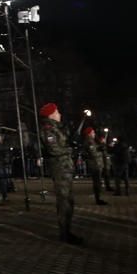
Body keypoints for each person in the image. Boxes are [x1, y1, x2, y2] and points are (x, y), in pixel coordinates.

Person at [39, 103, 84, 244]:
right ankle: (64, 233)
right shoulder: (48, 129)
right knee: (64, 201)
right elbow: (54, 150)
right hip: (60, 169)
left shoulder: (56, 129)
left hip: (64, 168)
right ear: (51, 114)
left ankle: (67, 231)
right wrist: (71, 149)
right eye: (57, 112)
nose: (60, 114)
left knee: (68, 200)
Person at [81, 127, 108, 205]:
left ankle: (98, 197)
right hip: (95, 164)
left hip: (97, 163)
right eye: (93, 132)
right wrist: (100, 150)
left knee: (98, 181)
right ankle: (98, 198)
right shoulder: (90, 142)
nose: (94, 133)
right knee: (97, 182)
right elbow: (93, 154)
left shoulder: (92, 141)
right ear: (89, 133)